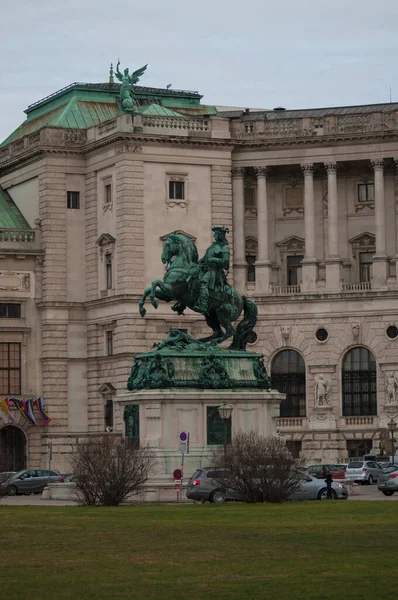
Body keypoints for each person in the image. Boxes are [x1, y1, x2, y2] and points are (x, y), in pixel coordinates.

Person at [193, 226, 230, 315]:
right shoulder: (213, 246)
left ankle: (204, 305)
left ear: (220, 235)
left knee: (203, 282)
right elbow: (205, 258)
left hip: (214, 271)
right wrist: (196, 263)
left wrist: (214, 260)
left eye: (216, 234)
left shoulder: (225, 247)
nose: (214, 236)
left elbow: (226, 264)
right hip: (205, 268)